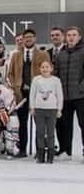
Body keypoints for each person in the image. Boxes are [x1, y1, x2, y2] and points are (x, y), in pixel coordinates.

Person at [7, 29, 50, 157]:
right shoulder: (16, 55)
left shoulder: (43, 54)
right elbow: (10, 73)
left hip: (38, 95)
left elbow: (48, 72)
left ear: (35, 38)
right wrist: (16, 87)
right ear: (23, 39)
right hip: (21, 94)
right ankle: (22, 149)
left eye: (31, 37)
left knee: (40, 123)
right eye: (26, 37)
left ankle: (40, 150)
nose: (28, 39)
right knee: (22, 123)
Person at [53, 26, 84, 160]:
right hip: (65, 97)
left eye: (74, 35)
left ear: (79, 37)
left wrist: (81, 87)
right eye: (69, 35)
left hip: (81, 96)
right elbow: (56, 74)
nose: (71, 37)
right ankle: (65, 150)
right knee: (64, 125)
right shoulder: (61, 54)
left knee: (83, 124)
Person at [30, 61, 63, 164]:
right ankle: (40, 154)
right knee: (40, 132)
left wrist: (59, 109)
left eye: (47, 67)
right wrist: (32, 107)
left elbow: (59, 95)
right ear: (40, 69)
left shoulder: (56, 80)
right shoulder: (36, 80)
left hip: (52, 109)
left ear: (51, 69)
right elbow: (32, 94)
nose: (45, 69)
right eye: (43, 67)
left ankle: (50, 155)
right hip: (39, 109)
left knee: (50, 133)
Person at [45, 27, 67, 156]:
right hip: (49, 94)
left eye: (57, 35)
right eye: (52, 35)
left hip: (65, 92)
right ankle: (56, 148)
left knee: (65, 123)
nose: (55, 37)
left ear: (62, 36)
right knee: (55, 123)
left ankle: (66, 149)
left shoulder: (68, 51)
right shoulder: (47, 52)